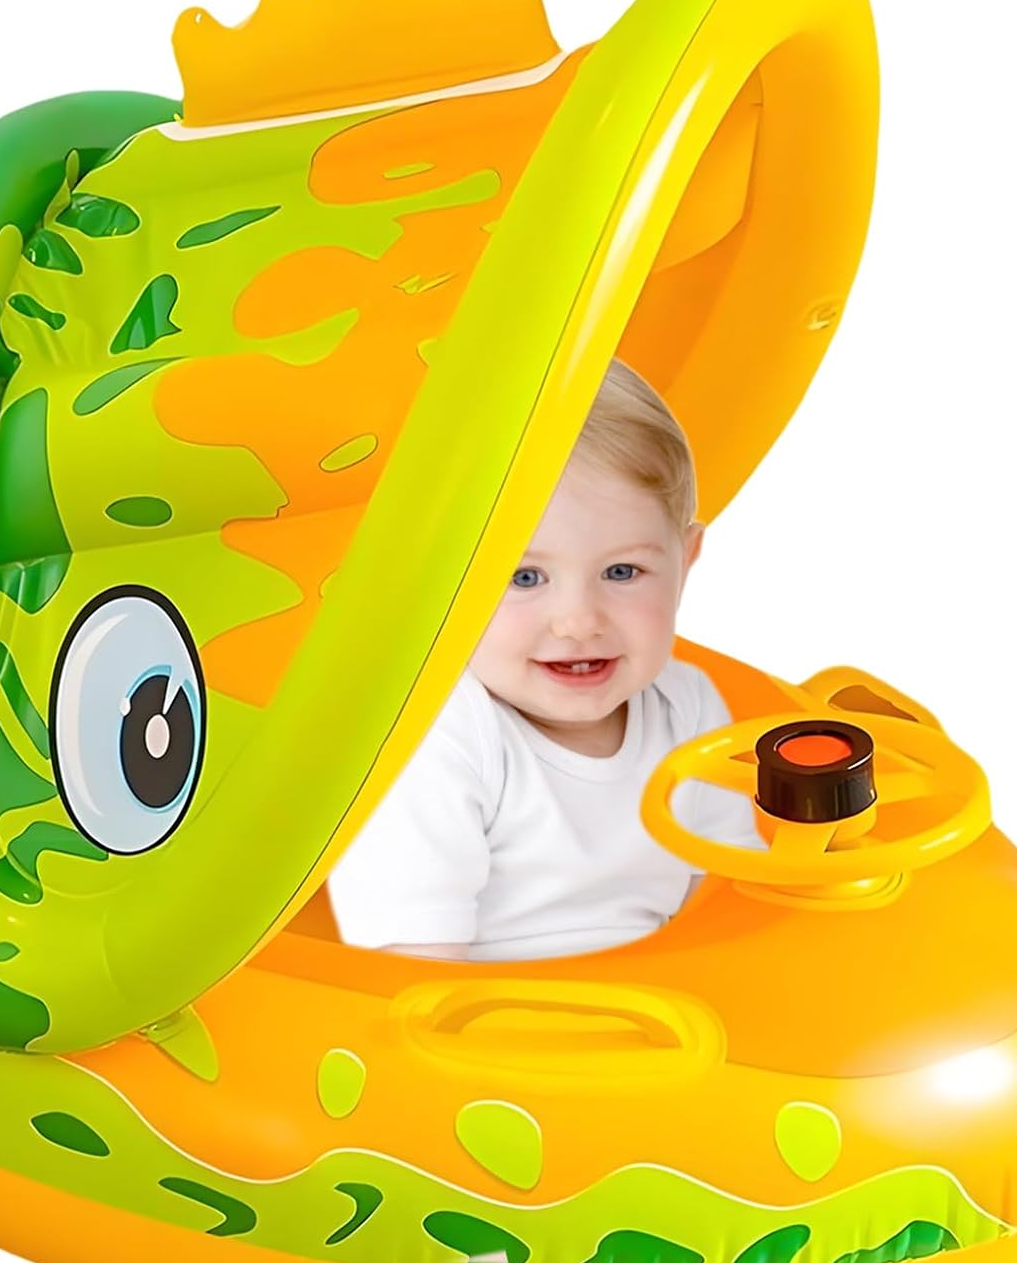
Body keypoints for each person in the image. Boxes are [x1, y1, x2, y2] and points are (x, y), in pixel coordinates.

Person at [326, 356, 764, 962]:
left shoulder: (687, 709)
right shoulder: (433, 731)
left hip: (658, 1002)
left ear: (685, 562)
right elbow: (414, 970)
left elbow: (725, 906)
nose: (579, 621)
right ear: (436, 581)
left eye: (622, 572)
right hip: (486, 1008)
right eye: (524, 577)